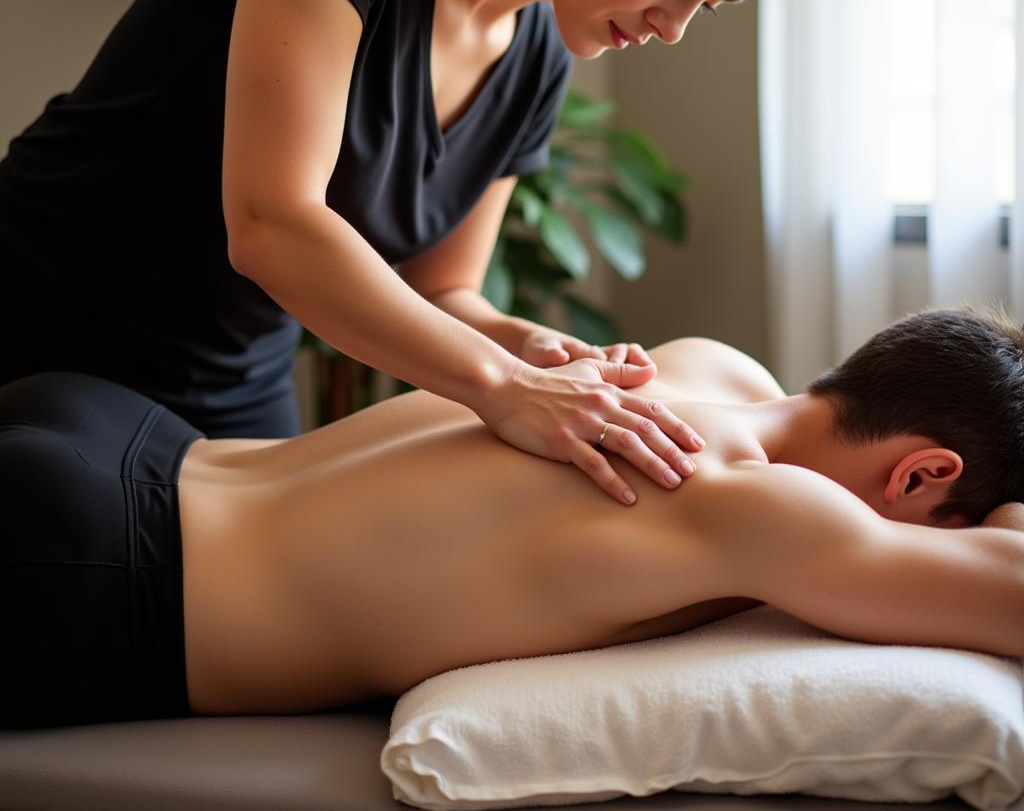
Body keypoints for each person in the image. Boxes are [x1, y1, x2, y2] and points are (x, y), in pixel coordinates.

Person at [0, 0, 815, 505]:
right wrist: (505, 387)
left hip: (235, 385)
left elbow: (446, 290)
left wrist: (534, 348)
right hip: (48, 324)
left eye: (707, 7)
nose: (671, 28)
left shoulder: (536, 58)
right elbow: (272, 221)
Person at [2, 304, 1022, 731]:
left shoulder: (707, 368)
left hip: (117, 433)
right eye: (954, 517)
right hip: (91, 578)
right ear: (923, 474)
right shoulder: (763, 508)